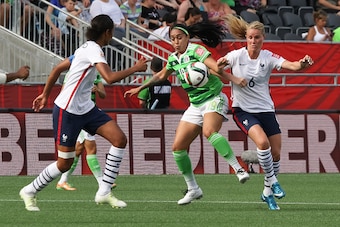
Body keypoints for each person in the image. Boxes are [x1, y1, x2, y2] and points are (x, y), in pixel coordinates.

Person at [19, 14, 149, 212]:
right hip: (68, 110)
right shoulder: (94, 50)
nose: (112, 36)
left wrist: (45, 95)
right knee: (65, 163)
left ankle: (104, 192)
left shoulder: (84, 48)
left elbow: (57, 69)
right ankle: (29, 190)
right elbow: (110, 78)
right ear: (107, 32)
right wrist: (136, 68)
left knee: (119, 139)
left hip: (86, 108)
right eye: (112, 32)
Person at [124, 22, 250, 205]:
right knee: (178, 148)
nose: (175, 42)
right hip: (195, 104)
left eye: (179, 38)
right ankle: (193, 189)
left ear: (187, 37)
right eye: (172, 39)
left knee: (209, 132)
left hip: (213, 98)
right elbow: (160, 76)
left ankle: (238, 168)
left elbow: (215, 67)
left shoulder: (196, 51)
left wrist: (235, 79)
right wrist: (140, 88)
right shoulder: (174, 59)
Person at [218, 15, 314, 210]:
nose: (253, 41)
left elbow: (293, 65)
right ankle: (274, 181)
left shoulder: (268, 57)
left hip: (266, 109)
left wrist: (302, 63)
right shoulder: (236, 56)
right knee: (263, 143)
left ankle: (267, 192)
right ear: (246, 38)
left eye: (257, 38)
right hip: (243, 110)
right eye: (250, 38)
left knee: (276, 153)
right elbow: (214, 69)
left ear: (263, 38)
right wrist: (233, 78)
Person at [56, 70, 107, 191]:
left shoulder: (96, 74)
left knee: (78, 149)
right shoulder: (72, 74)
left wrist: (97, 90)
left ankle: (62, 181)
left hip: (90, 113)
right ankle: (103, 183)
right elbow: (63, 92)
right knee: (91, 147)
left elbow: (103, 94)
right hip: (78, 112)